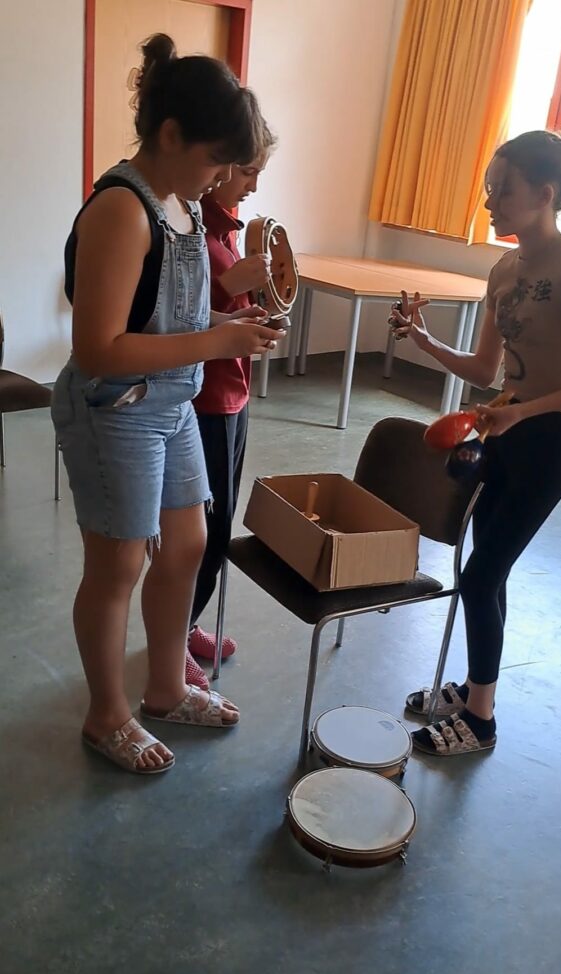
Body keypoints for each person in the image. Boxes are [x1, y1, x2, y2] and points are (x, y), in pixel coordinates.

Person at [51, 34, 285, 775]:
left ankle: (165, 689)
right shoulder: (122, 210)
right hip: (115, 408)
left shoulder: (182, 206)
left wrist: (228, 326)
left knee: (186, 545)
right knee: (120, 563)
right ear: (172, 135)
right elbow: (100, 349)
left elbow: (166, 321)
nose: (220, 177)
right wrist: (214, 343)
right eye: (216, 159)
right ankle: (106, 715)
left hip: (172, 402)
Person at [391, 128, 561, 756]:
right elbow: (486, 368)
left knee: (481, 576)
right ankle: (473, 688)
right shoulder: (505, 269)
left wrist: (524, 413)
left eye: (503, 190)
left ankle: (480, 719)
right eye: (489, 189)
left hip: (547, 444)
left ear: (545, 194)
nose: (490, 202)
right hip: (502, 434)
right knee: (486, 568)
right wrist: (424, 339)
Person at [184, 119, 278, 688]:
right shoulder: (190, 225)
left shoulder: (226, 228)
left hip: (233, 394)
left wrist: (249, 312)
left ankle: (186, 624)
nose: (252, 184)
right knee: (201, 531)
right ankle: (174, 636)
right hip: (204, 399)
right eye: (246, 170)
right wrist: (230, 286)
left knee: (217, 526)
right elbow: (177, 313)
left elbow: (217, 314)